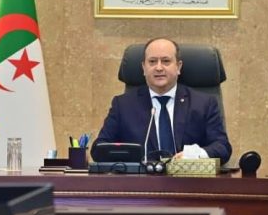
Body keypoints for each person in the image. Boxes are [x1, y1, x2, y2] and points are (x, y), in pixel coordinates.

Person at [94, 38, 232, 163]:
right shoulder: (123, 105)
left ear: (178, 67)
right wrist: (129, 158)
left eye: (166, 61)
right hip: (141, 180)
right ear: (144, 68)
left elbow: (222, 147)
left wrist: (195, 155)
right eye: (152, 62)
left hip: (188, 179)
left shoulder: (204, 104)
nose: (159, 68)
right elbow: (99, 148)